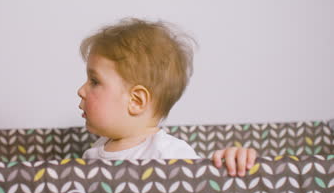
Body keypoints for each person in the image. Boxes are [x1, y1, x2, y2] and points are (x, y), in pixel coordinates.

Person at [77, 18, 256, 177]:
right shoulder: (94, 152)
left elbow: (202, 187)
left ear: (136, 101)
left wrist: (231, 160)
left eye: (94, 81)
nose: (81, 90)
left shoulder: (168, 154)